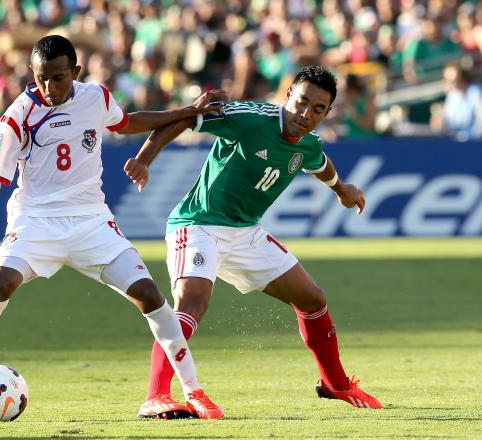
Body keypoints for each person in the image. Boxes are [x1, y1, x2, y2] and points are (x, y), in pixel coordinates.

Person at [0, 35, 228, 419]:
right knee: (0, 283)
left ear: (74, 72)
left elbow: (128, 123)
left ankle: (193, 391)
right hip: (36, 220)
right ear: (32, 73)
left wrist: (186, 112)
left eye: (58, 78)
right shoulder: (17, 115)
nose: (49, 87)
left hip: (91, 220)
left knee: (150, 295)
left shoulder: (95, 97)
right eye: (41, 78)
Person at [124, 65, 383, 418]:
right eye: (302, 102)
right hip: (198, 224)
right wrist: (143, 160)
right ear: (288, 94)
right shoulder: (250, 117)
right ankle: (156, 395)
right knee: (192, 303)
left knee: (312, 299)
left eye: (318, 109)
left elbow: (319, 162)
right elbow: (184, 120)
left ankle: (335, 384)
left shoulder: (307, 142)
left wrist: (341, 189)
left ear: (326, 113)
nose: (306, 114)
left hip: (246, 232)